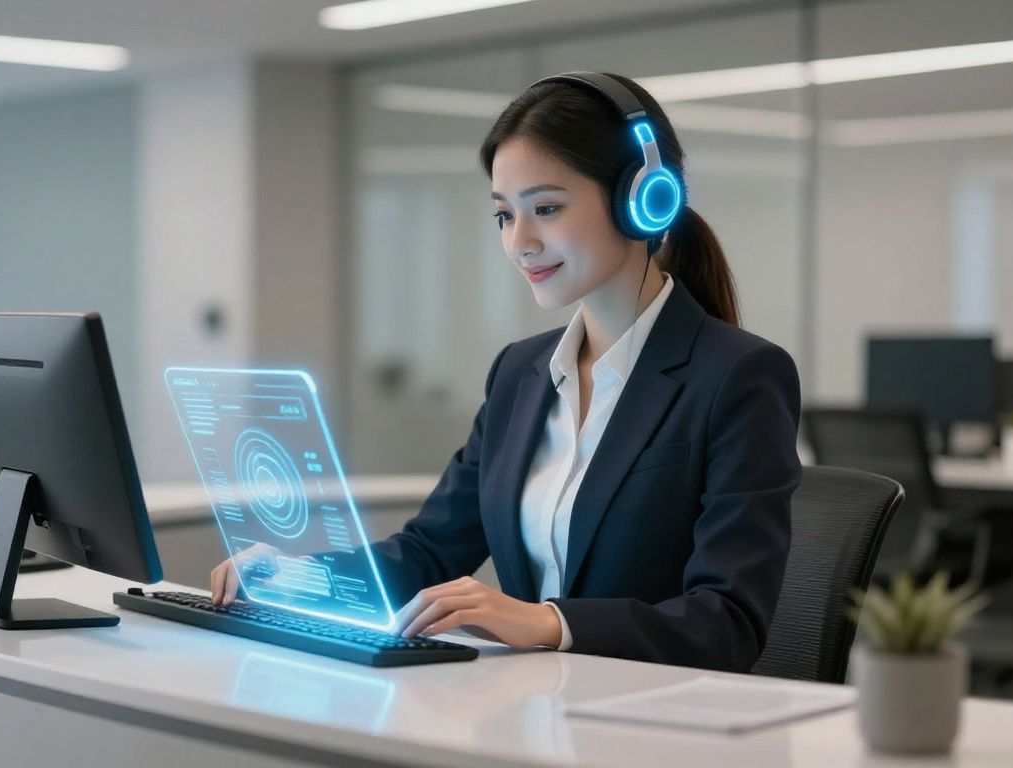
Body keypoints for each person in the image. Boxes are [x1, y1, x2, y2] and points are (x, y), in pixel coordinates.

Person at [212, 72, 801, 672]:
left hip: (647, 724)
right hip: (530, 711)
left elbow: (727, 623)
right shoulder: (520, 373)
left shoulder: (740, 376)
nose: (520, 242)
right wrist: (297, 576)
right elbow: (429, 551)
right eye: (503, 216)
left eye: (545, 208)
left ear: (644, 200)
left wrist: (546, 622)